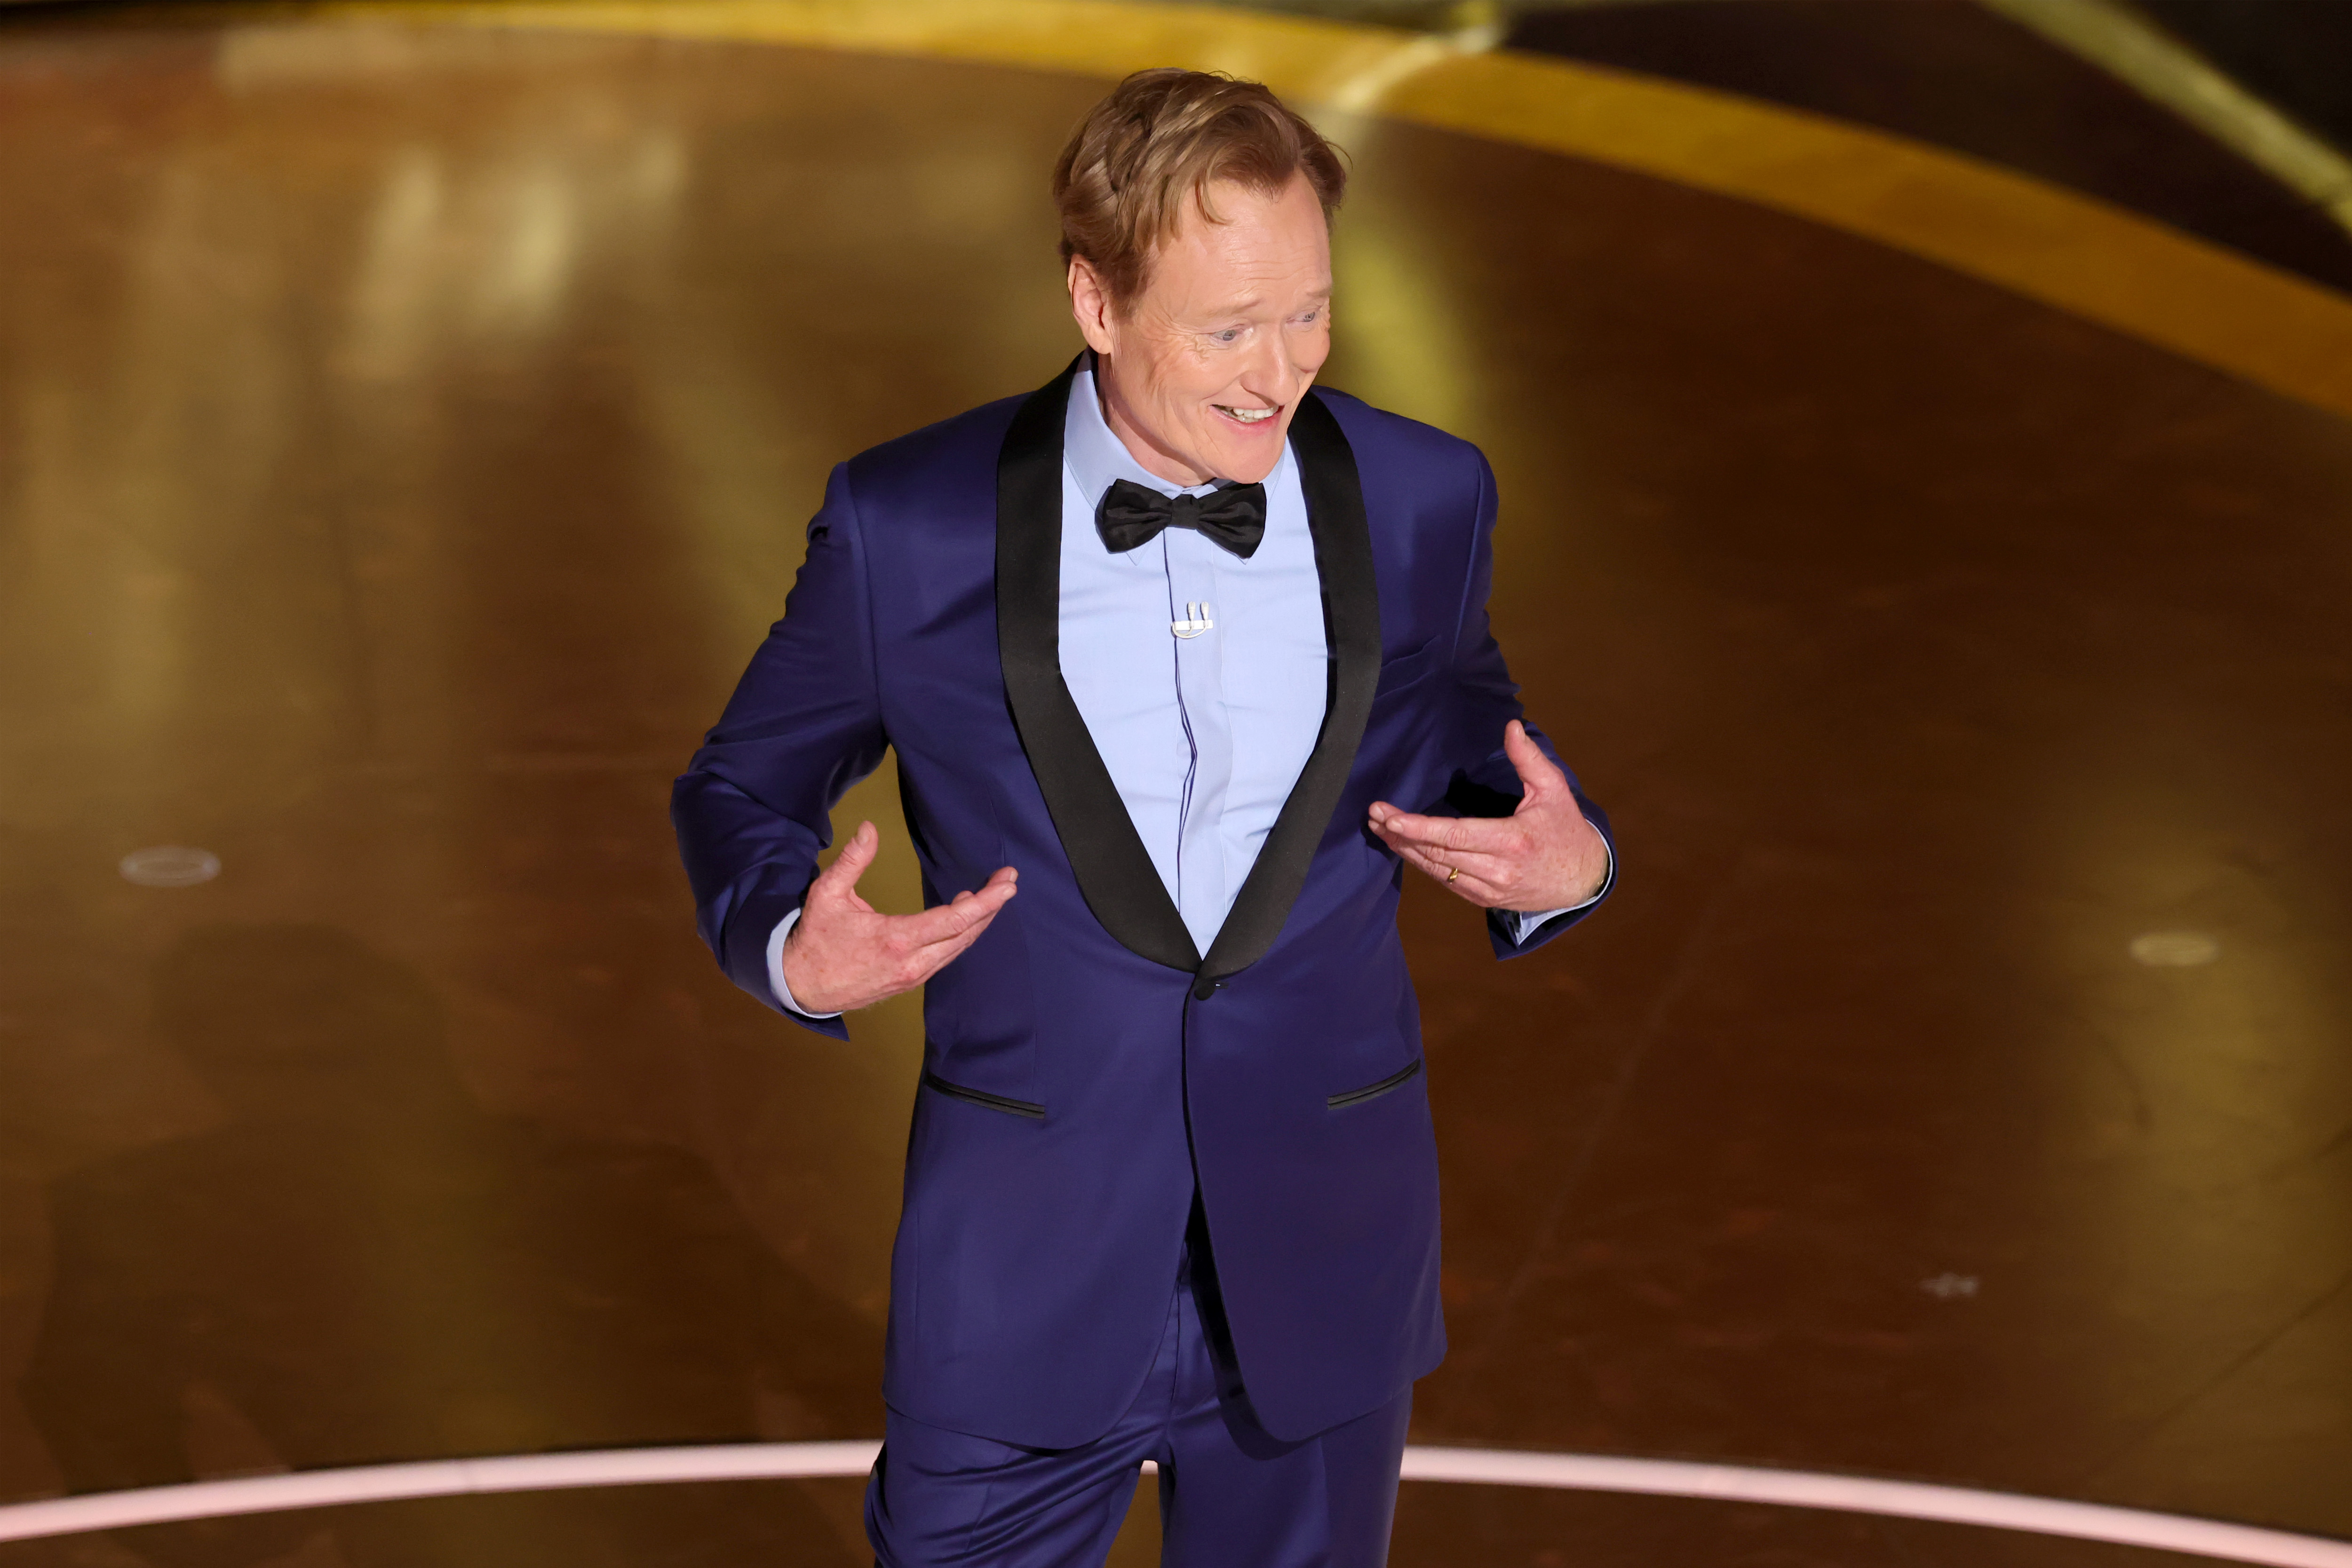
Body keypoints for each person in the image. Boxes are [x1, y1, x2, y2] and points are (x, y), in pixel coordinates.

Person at [672, 68, 1614, 1568]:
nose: (1280, 370)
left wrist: (1566, 862)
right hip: (1024, 1280)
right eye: (1227, 328)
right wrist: (794, 942)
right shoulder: (907, 526)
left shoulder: (1425, 495)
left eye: (1308, 311)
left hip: (1321, 1270)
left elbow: (1465, 730)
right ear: (1094, 304)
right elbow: (738, 784)